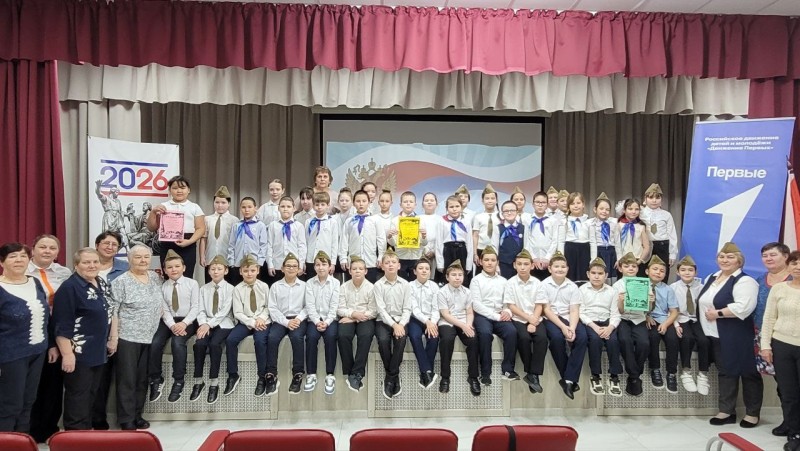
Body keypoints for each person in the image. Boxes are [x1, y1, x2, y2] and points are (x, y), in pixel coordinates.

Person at [700, 242, 762, 428]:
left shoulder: (745, 281)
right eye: (722, 257)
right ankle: (726, 411)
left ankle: (752, 413)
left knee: (748, 372)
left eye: (730, 257)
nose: (725, 260)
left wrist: (718, 313)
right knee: (726, 372)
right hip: (715, 334)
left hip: (737, 334)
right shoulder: (712, 277)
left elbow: (744, 307)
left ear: (739, 261)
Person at [52, 248, 113, 430]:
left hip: (98, 350)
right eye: (86, 262)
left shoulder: (100, 282)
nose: (92, 266)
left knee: (91, 395)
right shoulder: (69, 288)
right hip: (78, 353)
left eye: (95, 262)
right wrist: (67, 354)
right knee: (78, 397)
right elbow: (61, 325)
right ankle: (74, 436)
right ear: (76, 265)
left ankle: (85, 435)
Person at [110, 245, 163, 430]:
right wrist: (113, 337)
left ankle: (137, 415)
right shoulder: (121, 281)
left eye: (146, 257)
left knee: (142, 379)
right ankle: (126, 419)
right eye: (138, 257)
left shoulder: (155, 277)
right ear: (129, 259)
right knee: (127, 380)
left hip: (150, 337)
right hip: (127, 337)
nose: (143, 260)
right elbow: (113, 311)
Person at [0, 242, 49, 433]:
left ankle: (22, 441)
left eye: (23, 256)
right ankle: (6, 442)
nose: (19, 260)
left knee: (28, 401)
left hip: (37, 352)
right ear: (2, 262)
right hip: (10, 355)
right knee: (10, 404)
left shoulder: (34, 282)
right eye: (12, 256)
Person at [26, 234, 71, 442]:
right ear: (33, 249)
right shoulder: (22, 270)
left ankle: (49, 429)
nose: (47, 251)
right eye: (42, 247)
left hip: (56, 331)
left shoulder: (64, 273)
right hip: (29, 332)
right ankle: (27, 429)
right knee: (31, 383)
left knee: (52, 383)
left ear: (57, 252)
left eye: (52, 248)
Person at [760, 250, 800, 451]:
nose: (798, 267)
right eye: (794, 263)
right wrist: (765, 346)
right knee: (788, 391)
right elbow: (769, 318)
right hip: (782, 345)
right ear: (788, 265)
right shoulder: (779, 289)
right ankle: (794, 431)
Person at [148, 249, 199, 403]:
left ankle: (179, 380)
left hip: (188, 320)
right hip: (169, 320)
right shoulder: (163, 287)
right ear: (164, 270)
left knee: (177, 342)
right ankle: (156, 378)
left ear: (184, 268)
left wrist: (184, 323)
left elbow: (196, 307)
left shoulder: (192, 284)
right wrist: (172, 325)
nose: (174, 270)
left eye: (177, 266)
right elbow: (164, 310)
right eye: (169, 267)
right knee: (155, 342)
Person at [91, 231, 128, 430]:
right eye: (106, 243)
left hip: (121, 326)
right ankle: (96, 419)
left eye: (114, 244)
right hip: (93, 328)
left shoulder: (125, 268)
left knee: (122, 376)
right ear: (97, 245)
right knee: (98, 376)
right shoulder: (88, 265)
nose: (110, 247)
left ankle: (125, 419)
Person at [754, 242, 792, 436]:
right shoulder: (760, 280)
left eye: (773, 255)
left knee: (792, 383)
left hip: (789, 338)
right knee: (782, 383)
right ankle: (789, 421)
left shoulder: (794, 279)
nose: (768, 258)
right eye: (765, 255)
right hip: (764, 337)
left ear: (786, 257)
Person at [542, 251, 587, 399]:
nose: (560, 269)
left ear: (567, 269)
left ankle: (567, 380)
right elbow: (546, 310)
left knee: (582, 337)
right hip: (552, 318)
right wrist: (563, 327)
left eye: (563, 267)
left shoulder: (573, 286)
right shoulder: (543, 285)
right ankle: (569, 378)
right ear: (550, 268)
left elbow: (574, 310)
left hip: (569, 317)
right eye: (556, 266)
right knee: (556, 338)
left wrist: (572, 328)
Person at [470, 246, 517, 384]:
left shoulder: (503, 281)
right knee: (485, 334)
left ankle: (508, 370)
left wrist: (507, 311)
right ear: (481, 262)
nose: (489, 263)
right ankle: (485, 373)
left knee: (512, 332)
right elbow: (476, 304)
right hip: (483, 316)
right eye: (486, 260)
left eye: (492, 260)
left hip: (500, 314)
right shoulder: (476, 280)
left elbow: (508, 301)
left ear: (497, 262)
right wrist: (496, 316)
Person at [191, 255, 234, 405]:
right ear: (208, 271)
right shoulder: (203, 289)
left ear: (226, 271)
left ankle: (214, 382)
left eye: (219, 269)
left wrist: (209, 325)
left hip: (224, 323)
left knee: (215, 344)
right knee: (199, 344)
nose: (216, 271)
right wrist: (203, 323)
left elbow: (224, 311)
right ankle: (198, 380)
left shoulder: (231, 289)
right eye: (213, 269)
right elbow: (200, 309)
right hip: (206, 322)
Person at [224, 255, 270, 396]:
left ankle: (262, 377)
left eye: (252, 270)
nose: (249, 274)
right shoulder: (237, 289)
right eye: (245, 271)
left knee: (260, 341)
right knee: (231, 340)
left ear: (258, 271)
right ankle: (233, 375)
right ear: (240, 272)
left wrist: (261, 318)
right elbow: (237, 312)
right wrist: (251, 322)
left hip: (262, 321)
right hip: (246, 322)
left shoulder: (264, 286)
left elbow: (269, 307)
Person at [504, 249, 548, 394]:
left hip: (535, 317)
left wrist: (533, 321)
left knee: (542, 338)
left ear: (532, 266)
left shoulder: (537, 283)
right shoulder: (510, 283)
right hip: (518, 318)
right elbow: (511, 306)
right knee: (523, 338)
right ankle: (532, 375)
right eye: (519, 264)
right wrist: (528, 319)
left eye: (526, 264)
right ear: (514, 265)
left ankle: (533, 374)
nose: (522, 267)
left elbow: (539, 304)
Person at [147, 175, 206, 278]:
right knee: (169, 275)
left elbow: (201, 228)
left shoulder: (194, 207)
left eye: (182, 188)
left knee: (187, 276)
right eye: (175, 188)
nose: (179, 191)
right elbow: (151, 228)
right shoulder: (163, 206)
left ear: (189, 190)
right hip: (167, 244)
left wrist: (189, 241)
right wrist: (153, 212)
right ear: (170, 190)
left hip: (188, 243)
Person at [579, 257, 623, 397]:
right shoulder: (582, 290)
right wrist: (594, 327)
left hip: (607, 322)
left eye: (600, 273)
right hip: (590, 323)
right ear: (588, 274)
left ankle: (614, 377)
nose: (596, 276)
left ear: (606, 275)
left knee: (613, 341)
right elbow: (581, 312)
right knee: (595, 340)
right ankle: (595, 376)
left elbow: (615, 313)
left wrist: (610, 327)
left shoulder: (612, 291)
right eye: (593, 273)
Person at [266, 253, 308, 395]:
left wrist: (298, 319)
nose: (291, 268)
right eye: (288, 266)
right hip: (281, 320)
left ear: (299, 269)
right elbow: (272, 308)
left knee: (297, 338)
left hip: (298, 319)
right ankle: (271, 374)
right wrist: (285, 322)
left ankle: (297, 375)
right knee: (272, 338)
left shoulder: (304, 286)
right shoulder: (275, 286)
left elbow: (308, 306)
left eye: (294, 266)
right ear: (282, 268)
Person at [437, 260, 481, 396]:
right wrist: (463, 325)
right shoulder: (442, 292)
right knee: (446, 340)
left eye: (460, 275)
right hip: (447, 322)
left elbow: (469, 312)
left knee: (473, 340)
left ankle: (473, 377)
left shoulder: (467, 292)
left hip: (463, 320)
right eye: (454, 275)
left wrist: (468, 325)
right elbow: (445, 314)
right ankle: (445, 377)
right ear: (447, 277)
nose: (457, 278)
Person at [372, 249, 412, 399]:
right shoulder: (378, 285)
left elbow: (407, 308)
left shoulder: (406, 284)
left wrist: (400, 324)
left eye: (393, 262)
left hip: (401, 320)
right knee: (383, 340)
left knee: (400, 340)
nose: (390, 265)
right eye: (387, 263)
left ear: (399, 266)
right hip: (383, 320)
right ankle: (394, 376)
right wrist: (394, 325)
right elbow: (381, 310)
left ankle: (390, 378)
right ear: (382, 266)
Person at [670, 255, 711, 395]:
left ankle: (703, 373)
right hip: (680, 318)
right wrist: (676, 324)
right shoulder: (673, 288)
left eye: (690, 270)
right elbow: (670, 309)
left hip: (698, 319)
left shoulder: (702, 288)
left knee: (704, 340)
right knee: (687, 338)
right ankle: (686, 371)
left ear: (696, 272)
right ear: (677, 272)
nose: (687, 273)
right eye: (683, 270)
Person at [337, 255, 377, 392]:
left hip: (365, 318)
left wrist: (355, 318)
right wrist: (352, 314)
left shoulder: (371, 288)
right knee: (343, 335)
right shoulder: (343, 287)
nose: (357, 271)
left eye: (360, 269)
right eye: (354, 269)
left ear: (366, 271)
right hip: (349, 316)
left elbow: (373, 311)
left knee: (365, 335)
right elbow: (340, 308)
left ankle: (358, 372)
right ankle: (350, 372)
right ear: (350, 271)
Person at [304, 251, 340, 395]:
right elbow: (310, 306)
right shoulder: (309, 283)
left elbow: (334, 306)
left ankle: (330, 375)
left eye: (324, 264)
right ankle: (311, 374)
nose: (321, 267)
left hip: (330, 319)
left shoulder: (336, 283)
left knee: (331, 337)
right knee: (311, 337)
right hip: (314, 320)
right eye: (318, 265)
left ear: (330, 266)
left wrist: (327, 322)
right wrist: (317, 321)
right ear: (314, 267)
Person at [614, 252, 650, 397]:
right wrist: (621, 301)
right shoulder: (616, 286)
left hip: (639, 318)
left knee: (644, 343)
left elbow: (648, 310)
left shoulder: (644, 284)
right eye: (626, 266)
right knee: (624, 340)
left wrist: (651, 301)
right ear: (620, 268)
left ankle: (634, 375)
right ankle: (634, 376)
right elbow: (619, 311)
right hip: (623, 318)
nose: (630, 268)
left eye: (633, 266)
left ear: (637, 268)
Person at [644, 255, 680, 393]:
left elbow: (674, 312)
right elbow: (635, 306)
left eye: (662, 271)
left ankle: (671, 373)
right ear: (647, 271)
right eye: (655, 269)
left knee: (673, 339)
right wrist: (646, 316)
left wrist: (665, 324)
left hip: (664, 319)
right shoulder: (641, 286)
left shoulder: (668, 289)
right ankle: (655, 369)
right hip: (648, 318)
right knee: (652, 337)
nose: (658, 272)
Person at [339, 190, 386, 283]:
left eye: (364, 201)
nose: (361, 204)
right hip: (353, 263)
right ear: (353, 203)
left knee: (370, 287)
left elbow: (381, 239)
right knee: (352, 287)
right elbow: (344, 240)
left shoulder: (375, 220)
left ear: (369, 202)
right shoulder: (349, 221)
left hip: (370, 262)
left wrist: (381, 256)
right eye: (358, 201)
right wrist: (343, 257)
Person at [408, 258, 440, 389]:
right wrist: (426, 321)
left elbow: (436, 308)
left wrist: (432, 322)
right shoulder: (409, 286)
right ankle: (427, 371)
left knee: (434, 337)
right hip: (415, 318)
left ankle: (425, 374)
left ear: (430, 271)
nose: (424, 271)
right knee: (414, 336)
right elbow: (413, 308)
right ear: (415, 271)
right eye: (421, 268)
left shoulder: (434, 286)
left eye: (427, 269)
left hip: (432, 319)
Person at [227, 197, 269, 286]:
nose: (246, 210)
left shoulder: (260, 225)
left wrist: (259, 263)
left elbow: (263, 246)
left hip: (254, 265)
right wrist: (232, 263)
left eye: (249, 207)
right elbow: (231, 245)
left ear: (255, 208)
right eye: (243, 207)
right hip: (238, 265)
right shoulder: (236, 226)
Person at [200, 186, 238, 284]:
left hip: (228, 260)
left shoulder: (234, 220)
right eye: (217, 202)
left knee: (229, 286)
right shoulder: (207, 219)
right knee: (210, 285)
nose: (220, 205)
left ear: (229, 204)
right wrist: (202, 256)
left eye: (223, 202)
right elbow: (203, 239)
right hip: (210, 258)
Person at [640, 183, 678, 280]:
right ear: (645, 199)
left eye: (657, 197)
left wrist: (672, 253)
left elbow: (672, 234)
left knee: (660, 275)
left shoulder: (666, 215)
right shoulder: (640, 213)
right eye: (651, 197)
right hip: (644, 247)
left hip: (662, 247)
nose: (654, 200)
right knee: (642, 275)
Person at [266, 196, 307, 284]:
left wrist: (301, 264)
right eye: (282, 206)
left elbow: (302, 247)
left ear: (294, 208)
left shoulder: (299, 226)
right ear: (278, 208)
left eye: (288, 206)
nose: (285, 209)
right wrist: (270, 264)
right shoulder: (273, 225)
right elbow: (269, 246)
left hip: (294, 266)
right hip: (277, 266)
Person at [435, 195, 474, 287]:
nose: (454, 209)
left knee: (462, 278)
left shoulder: (466, 221)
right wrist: (440, 263)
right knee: (448, 277)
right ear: (447, 208)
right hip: (447, 251)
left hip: (462, 250)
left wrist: (469, 264)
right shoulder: (442, 221)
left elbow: (469, 244)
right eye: (451, 207)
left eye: (457, 206)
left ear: (461, 207)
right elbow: (439, 243)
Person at [388, 191, 427, 282]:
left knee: (415, 284)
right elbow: (393, 243)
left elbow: (424, 243)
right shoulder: (395, 220)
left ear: (415, 204)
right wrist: (389, 237)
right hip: (401, 257)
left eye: (411, 202)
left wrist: (424, 236)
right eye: (405, 202)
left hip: (416, 257)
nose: (408, 204)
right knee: (401, 283)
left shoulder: (420, 220)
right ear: (400, 204)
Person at [304, 192, 340, 282]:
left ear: (328, 205)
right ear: (313, 205)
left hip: (326, 260)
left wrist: (333, 263)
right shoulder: (309, 222)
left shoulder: (332, 222)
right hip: (310, 259)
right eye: (317, 205)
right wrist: (303, 261)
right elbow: (305, 242)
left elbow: (334, 243)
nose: (319, 207)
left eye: (322, 204)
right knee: (311, 283)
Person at [524, 191, 558, 281]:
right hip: (532, 261)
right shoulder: (527, 220)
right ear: (533, 204)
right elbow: (526, 241)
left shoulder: (553, 220)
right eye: (537, 202)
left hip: (548, 260)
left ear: (547, 204)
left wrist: (547, 258)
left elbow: (555, 241)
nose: (540, 205)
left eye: (543, 202)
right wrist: (533, 257)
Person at [558, 192, 590, 283]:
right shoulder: (564, 221)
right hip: (570, 250)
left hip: (584, 250)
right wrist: (561, 257)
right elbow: (561, 241)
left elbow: (592, 241)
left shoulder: (588, 221)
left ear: (583, 204)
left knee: (584, 276)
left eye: (578, 203)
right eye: (572, 204)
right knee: (570, 276)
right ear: (568, 206)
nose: (576, 206)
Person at [615, 198, 651, 278]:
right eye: (630, 209)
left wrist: (640, 261)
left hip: (637, 259)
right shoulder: (619, 225)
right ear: (624, 210)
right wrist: (619, 259)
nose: (633, 212)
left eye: (636, 209)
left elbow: (646, 246)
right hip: (623, 261)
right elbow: (617, 245)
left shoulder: (641, 226)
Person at [588, 193, 618, 283]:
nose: (604, 211)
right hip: (599, 252)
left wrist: (619, 258)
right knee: (599, 274)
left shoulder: (614, 223)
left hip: (611, 252)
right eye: (601, 209)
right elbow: (592, 242)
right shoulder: (590, 223)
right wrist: (593, 259)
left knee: (611, 275)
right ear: (595, 209)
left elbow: (617, 241)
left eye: (607, 209)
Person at [491, 200, 525, 279]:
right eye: (506, 211)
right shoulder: (498, 228)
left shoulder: (523, 227)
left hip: (520, 265)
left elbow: (526, 246)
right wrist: (496, 265)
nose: (509, 213)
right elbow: (494, 248)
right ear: (502, 213)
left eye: (512, 210)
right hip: (503, 264)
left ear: (517, 211)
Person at [472, 184, 499, 275]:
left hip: (496, 249)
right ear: (482, 201)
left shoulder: (501, 216)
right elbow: (475, 235)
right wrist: (475, 253)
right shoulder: (478, 217)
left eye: (492, 198)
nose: (490, 201)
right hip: (481, 249)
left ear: (496, 200)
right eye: (487, 198)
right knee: (480, 274)